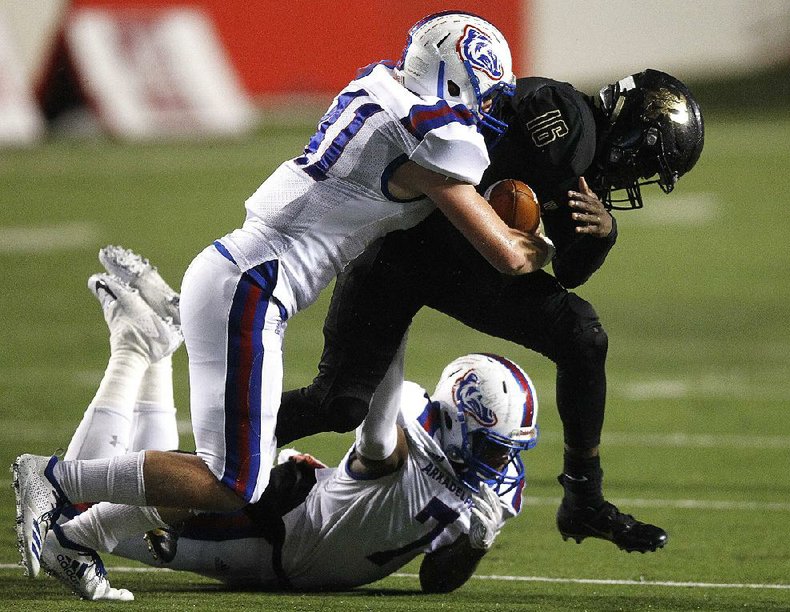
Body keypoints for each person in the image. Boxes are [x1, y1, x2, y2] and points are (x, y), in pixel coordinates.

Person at [13, 11, 555, 584]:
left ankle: (77, 526)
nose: (489, 111)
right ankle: (58, 480)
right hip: (254, 285)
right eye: (484, 94)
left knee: (228, 470)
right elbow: (511, 256)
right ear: (452, 79)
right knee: (232, 482)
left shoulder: (386, 91)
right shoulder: (431, 142)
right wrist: (543, 239)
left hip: (243, 274)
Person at [274, 69, 706, 553]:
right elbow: (530, 128)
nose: (637, 173)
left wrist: (603, 233)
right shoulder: (561, 114)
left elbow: (569, 270)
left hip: (459, 263)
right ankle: (222, 451)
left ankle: (584, 497)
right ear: (630, 131)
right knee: (339, 403)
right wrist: (568, 218)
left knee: (582, 335)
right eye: (645, 158)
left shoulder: (576, 148)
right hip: (397, 249)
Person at [28, 258, 538, 599]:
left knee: (142, 490)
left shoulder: (492, 488)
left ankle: (148, 350)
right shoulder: (408, 433)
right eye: (491, 448)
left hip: (294, 537)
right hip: (275, 529)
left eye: (504, 450)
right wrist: (391, 324)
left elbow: (435, 580)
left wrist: (475, 544)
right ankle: (134, 354)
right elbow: (379, 440)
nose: (501, 462)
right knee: (80, 515)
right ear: (452, 425)